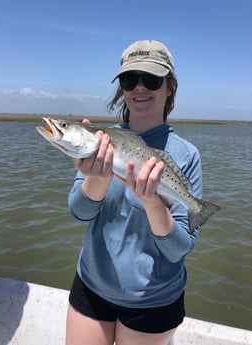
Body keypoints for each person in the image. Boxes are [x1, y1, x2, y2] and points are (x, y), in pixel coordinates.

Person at [66, 40, 202, 345]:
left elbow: (178, 249)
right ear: (122, 88)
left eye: (151, 79)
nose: (140, 88)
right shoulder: (102, 141)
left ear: (170, 87)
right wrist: (97, 179)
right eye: (130, 79)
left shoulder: (187, 154)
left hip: (153, 301)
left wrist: (153, 203)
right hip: (91, 286)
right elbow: (80, 212)